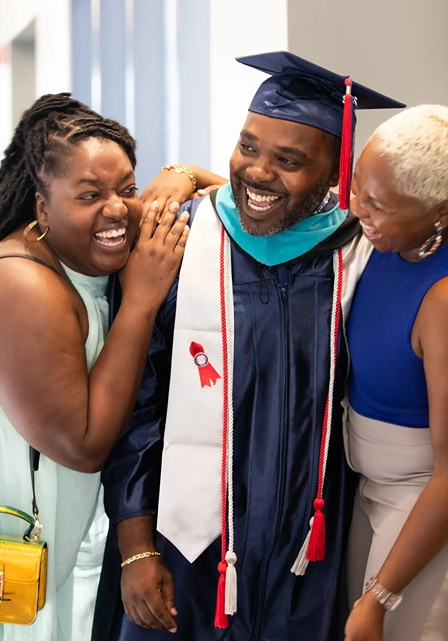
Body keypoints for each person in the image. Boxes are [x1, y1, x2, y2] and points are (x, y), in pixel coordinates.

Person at [97, 52, 404, 641]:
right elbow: (136, 407)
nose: (257, 172)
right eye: (247, 147)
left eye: (289, 161)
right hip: (185, 553)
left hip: (308, 552)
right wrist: (135, 548)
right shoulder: (181, 240)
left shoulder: (360, 257)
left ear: (334, 176)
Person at [0, 92, 221, 641]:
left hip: (65, 531)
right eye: (90, 195)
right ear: (43, 208)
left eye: (126, 187)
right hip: (11, 546)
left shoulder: (82, 251)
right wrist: (142, 299)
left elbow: (232, 196)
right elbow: (84, 443)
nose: (118, 208)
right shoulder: (21, 286)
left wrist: (182, 173)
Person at [342, 105, 448, 641]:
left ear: (440, 212)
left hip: (421, 507)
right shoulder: (382, 238)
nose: (354, 206)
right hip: (366, 488)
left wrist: (380, 598)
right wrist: (187, 175)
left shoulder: (444, 299)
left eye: (376, 204)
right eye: (357, 184)